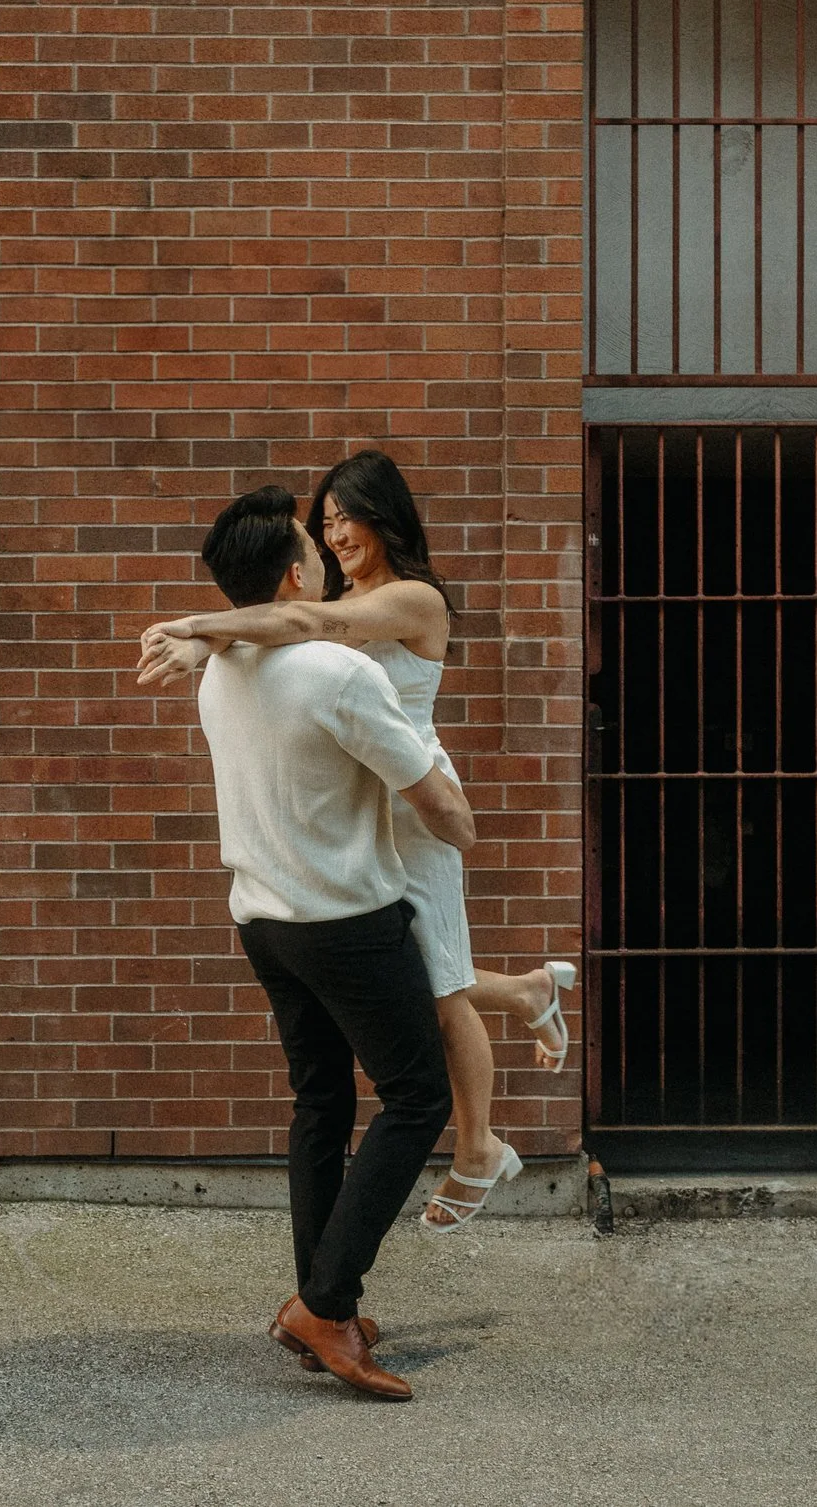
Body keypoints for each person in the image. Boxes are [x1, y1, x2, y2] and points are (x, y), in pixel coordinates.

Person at [139, 450, 576, 1233]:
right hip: (356, 804)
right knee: (410, 977)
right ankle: (525, 992)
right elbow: (277, 622)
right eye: (326, 520)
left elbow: (301, 621)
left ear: (386, 516)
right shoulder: (330, 593)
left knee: (438, 992)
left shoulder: (412, 599)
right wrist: (210, 646)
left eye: (348, 516)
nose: (336, 532)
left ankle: (477, 1145)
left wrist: (197, 626)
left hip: (415, 802)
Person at [178, 483, 476, 1401]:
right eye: (315, 540)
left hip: (263, 921)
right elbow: (435, 801)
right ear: (297, 573)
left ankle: (321, 1300)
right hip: (346, 920)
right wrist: (458, 821)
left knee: (319, 1103)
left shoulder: (219, 672)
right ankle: (326, 1302)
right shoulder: (339, 674)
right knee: (418, 1096)